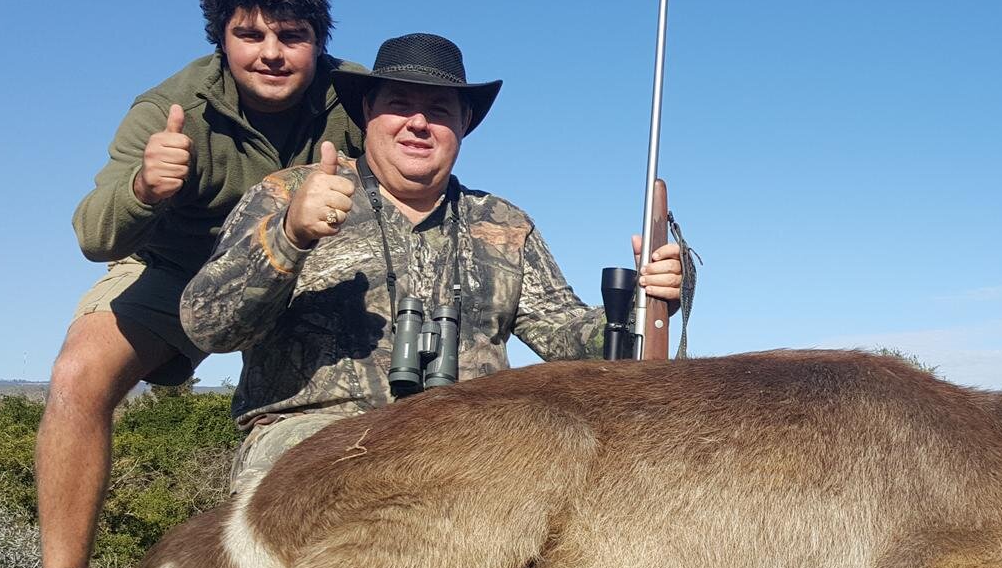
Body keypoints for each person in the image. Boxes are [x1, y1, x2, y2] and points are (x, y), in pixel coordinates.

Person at [8, 0, 366, 568]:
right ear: (221, 40)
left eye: (291, 36)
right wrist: (146, 190)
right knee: (77, 375)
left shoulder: (357, 96)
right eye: (251, 35)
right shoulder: (168, 108)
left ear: (317, 41)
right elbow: (93, 232)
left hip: (306, 271)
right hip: (178, 272)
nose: (271, 53)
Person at [179, 32, 685, 491]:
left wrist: (648, 303)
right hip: (316, 438)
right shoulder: (290, 193)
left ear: (465, 123)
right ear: (367, 113)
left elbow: (572, 339)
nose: (419, 123)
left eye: (440, 110)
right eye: (399, 104)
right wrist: (289, 235)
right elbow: (208, 327)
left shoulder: (505, 225)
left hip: (470, 442)